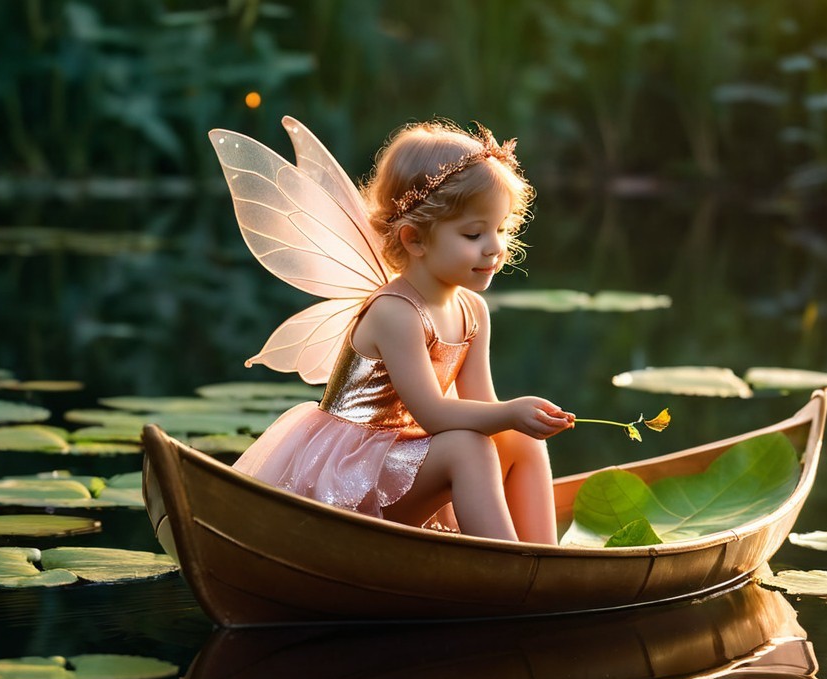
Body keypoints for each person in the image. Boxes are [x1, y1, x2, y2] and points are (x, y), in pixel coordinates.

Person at [230, 119, 575, 543]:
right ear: (414, 239)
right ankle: (512, 570)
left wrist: (517, 419)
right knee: (470, 447)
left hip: (407, 460)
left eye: (501, 229)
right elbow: (432, 414)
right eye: (473, 233)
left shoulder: (472, 310)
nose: (494, 247)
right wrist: (510, 412)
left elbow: (482, 407)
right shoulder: (396, 312)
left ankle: (545, 560)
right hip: (352, 476)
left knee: (519, 441)